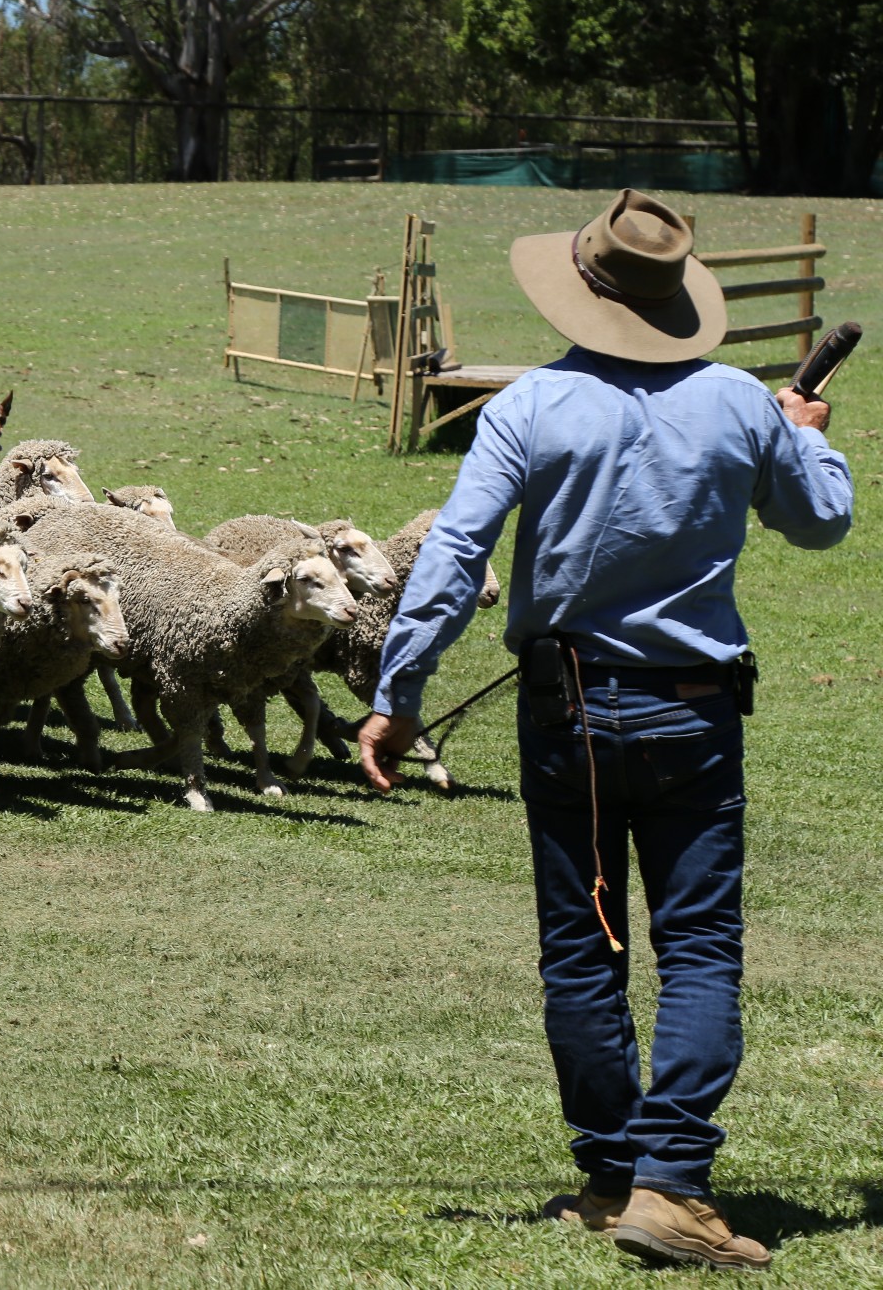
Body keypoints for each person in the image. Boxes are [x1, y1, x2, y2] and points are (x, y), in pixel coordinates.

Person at [356, 188, 852, 1272]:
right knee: (698, 950)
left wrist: (398, 696)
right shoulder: (736, 403)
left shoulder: (528, 408)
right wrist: (805, 439)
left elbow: (448, 559)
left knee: (582, 947)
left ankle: (609, 1177)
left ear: (581, 288)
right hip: (693, 710)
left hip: (563, 706)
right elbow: (818, 523)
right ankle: (666, 1184)